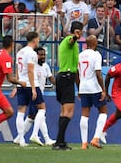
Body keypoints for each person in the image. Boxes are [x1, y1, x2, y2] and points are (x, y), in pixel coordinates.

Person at [12, 47, 56, 146]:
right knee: (41, 113)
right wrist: (17, 87)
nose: (43, 57)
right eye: (41, 55)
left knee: (31, 117)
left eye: (44, 55)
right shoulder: (32, 66)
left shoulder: (45, 66)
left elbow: (51, 78)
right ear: (35, 56)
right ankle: (45, 138)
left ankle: (19, 138)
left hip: (39, 92)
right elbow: (23, 75)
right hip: (32, 92)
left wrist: (60, 85)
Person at [53, 21, 83, 150]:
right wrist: (75, 36)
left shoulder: (69, 43)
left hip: (64, 77)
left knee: (64, 111)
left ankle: (60, 141)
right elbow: (72, 40)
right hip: (66, 77)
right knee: (69, 112)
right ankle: (59, 142)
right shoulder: (69, 40)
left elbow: (76, 69)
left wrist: (79, 87)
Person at [15, 31, 46, 147]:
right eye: (38, 39)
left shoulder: (20, 52)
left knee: (21, 111)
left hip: (21, 84)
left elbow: (18, 70)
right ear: (34, 40)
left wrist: (17, 84)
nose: (38, 41)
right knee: (42, 108)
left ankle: (21, 139)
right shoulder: (32, 53)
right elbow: (30, 70)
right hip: (30, 84)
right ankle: (34, 134)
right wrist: (33, 88)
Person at [78, 35, 107, 149]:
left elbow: (76, 73)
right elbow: (98, 73)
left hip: (83, 86)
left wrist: (79, 88)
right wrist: (103, 89)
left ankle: (84, 143)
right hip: (94, 87)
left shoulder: (80, 55)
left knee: (85, 114)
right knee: (103, 111)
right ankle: (96, 138)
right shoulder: (96, 55)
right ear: (94, 43)